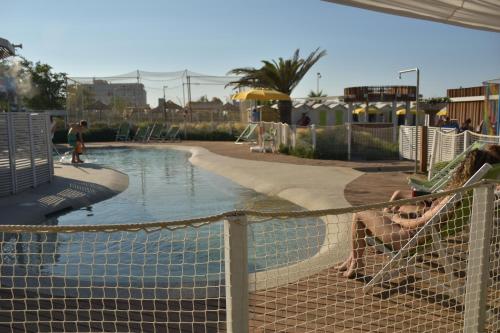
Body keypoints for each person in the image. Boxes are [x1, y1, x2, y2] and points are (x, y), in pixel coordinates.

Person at [337, 144, 500, 278]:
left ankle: (356, 262)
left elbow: (421, 221)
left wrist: (397, 219)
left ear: (466, 168)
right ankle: (353, 259)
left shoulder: (453, 197)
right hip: (417, 236)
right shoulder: (468, 194)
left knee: (360, 213)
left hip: (404, 238)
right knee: (372, 215)